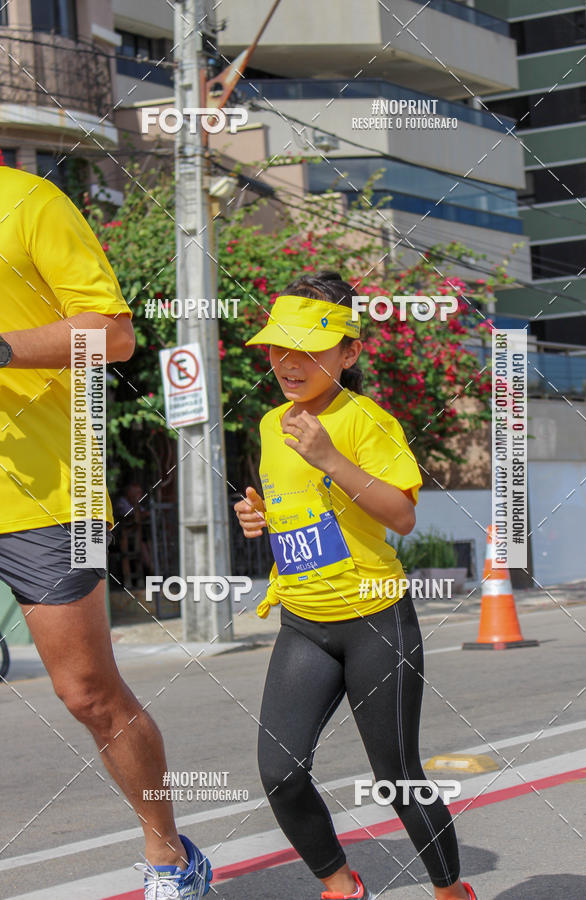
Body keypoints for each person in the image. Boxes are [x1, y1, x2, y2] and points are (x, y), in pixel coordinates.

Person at [0, 165, 211, 899]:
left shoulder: (29, 201)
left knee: (88, 692)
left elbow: (113, 334)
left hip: (53, 489)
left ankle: (169, 857)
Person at [234, 271, 477, 900]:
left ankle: (453, 894)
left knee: (396, 777)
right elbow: (299, 508)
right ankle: (342, 886)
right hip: (303, 622)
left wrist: (331, 460)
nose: (288, 363)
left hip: (375, 620)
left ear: (349, 352)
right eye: (278, 348)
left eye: (309, 350)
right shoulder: (269, 423)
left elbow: (400, 515)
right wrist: (261, 517)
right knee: (280, 772)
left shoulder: (368, 421)